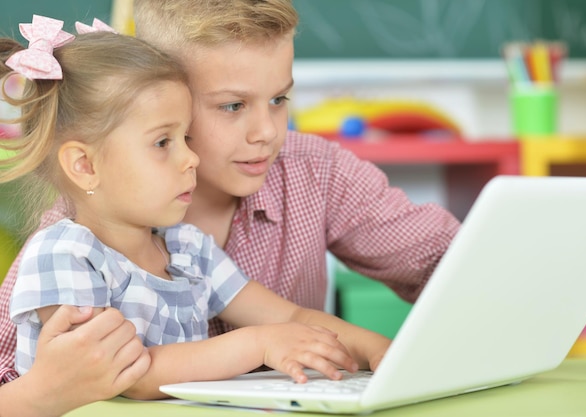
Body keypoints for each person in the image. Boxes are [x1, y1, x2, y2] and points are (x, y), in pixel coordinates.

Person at [0, 0, 459, 413]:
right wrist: (259, 344)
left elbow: (293, 316)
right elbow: (127, 372)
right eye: (233, 105)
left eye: (280, 99)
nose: (266, 131)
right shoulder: (67, 246)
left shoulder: (185, 245)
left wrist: (383, 351)